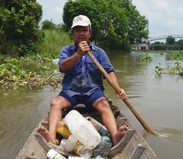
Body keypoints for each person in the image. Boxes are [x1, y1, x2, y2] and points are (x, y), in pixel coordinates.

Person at [36, 15, 128, 146]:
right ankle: (52, 137)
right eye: (77, 30)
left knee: (104, 104)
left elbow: (109, 71)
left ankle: (115, 136)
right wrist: (78, 54)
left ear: (89, 33)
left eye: (84, 30)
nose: (81, 33)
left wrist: (118, 89)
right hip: (70, 92)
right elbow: (63, 67)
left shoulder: (99, 53)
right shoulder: (66, 51)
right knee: (55, 103)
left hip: (93, 92)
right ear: (73, 33)